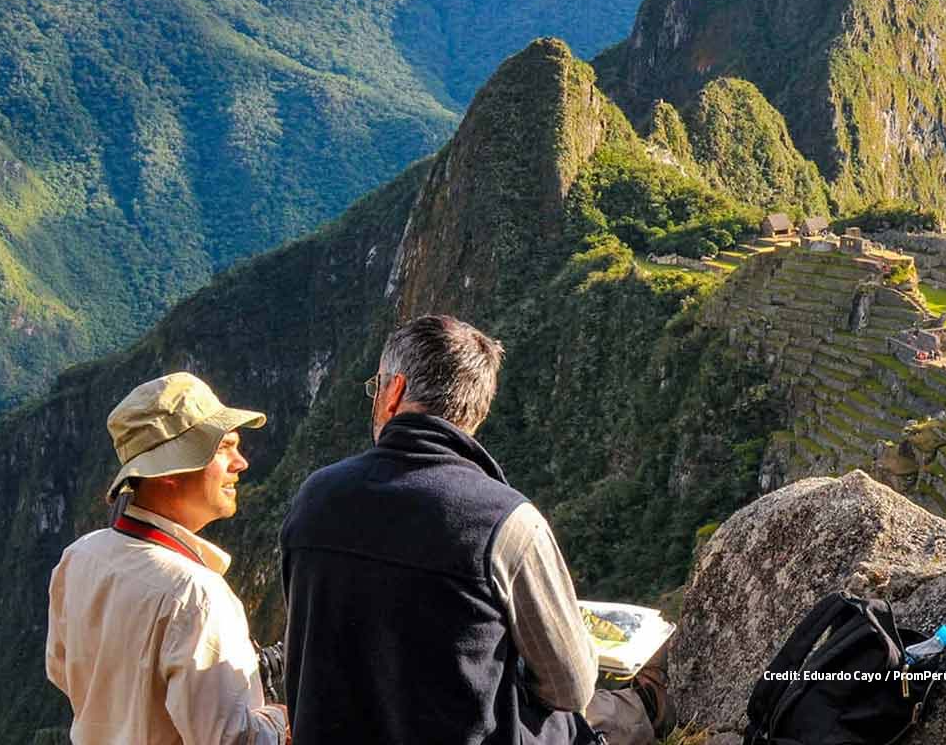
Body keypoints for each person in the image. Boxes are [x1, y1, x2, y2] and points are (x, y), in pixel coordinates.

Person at [280, 314, 673, 744]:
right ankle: (648, 710)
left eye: (376, 387)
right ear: (478, 409)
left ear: (393, 392)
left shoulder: (313, 500)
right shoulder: (507, 522)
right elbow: (571, 686)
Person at [46, 372, 289, 745]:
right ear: (170, 473)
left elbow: (63, 671)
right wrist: (278, 717)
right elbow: (233, 740)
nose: (240, 463)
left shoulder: (80, 557)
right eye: (224, 448)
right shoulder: (196, 595)